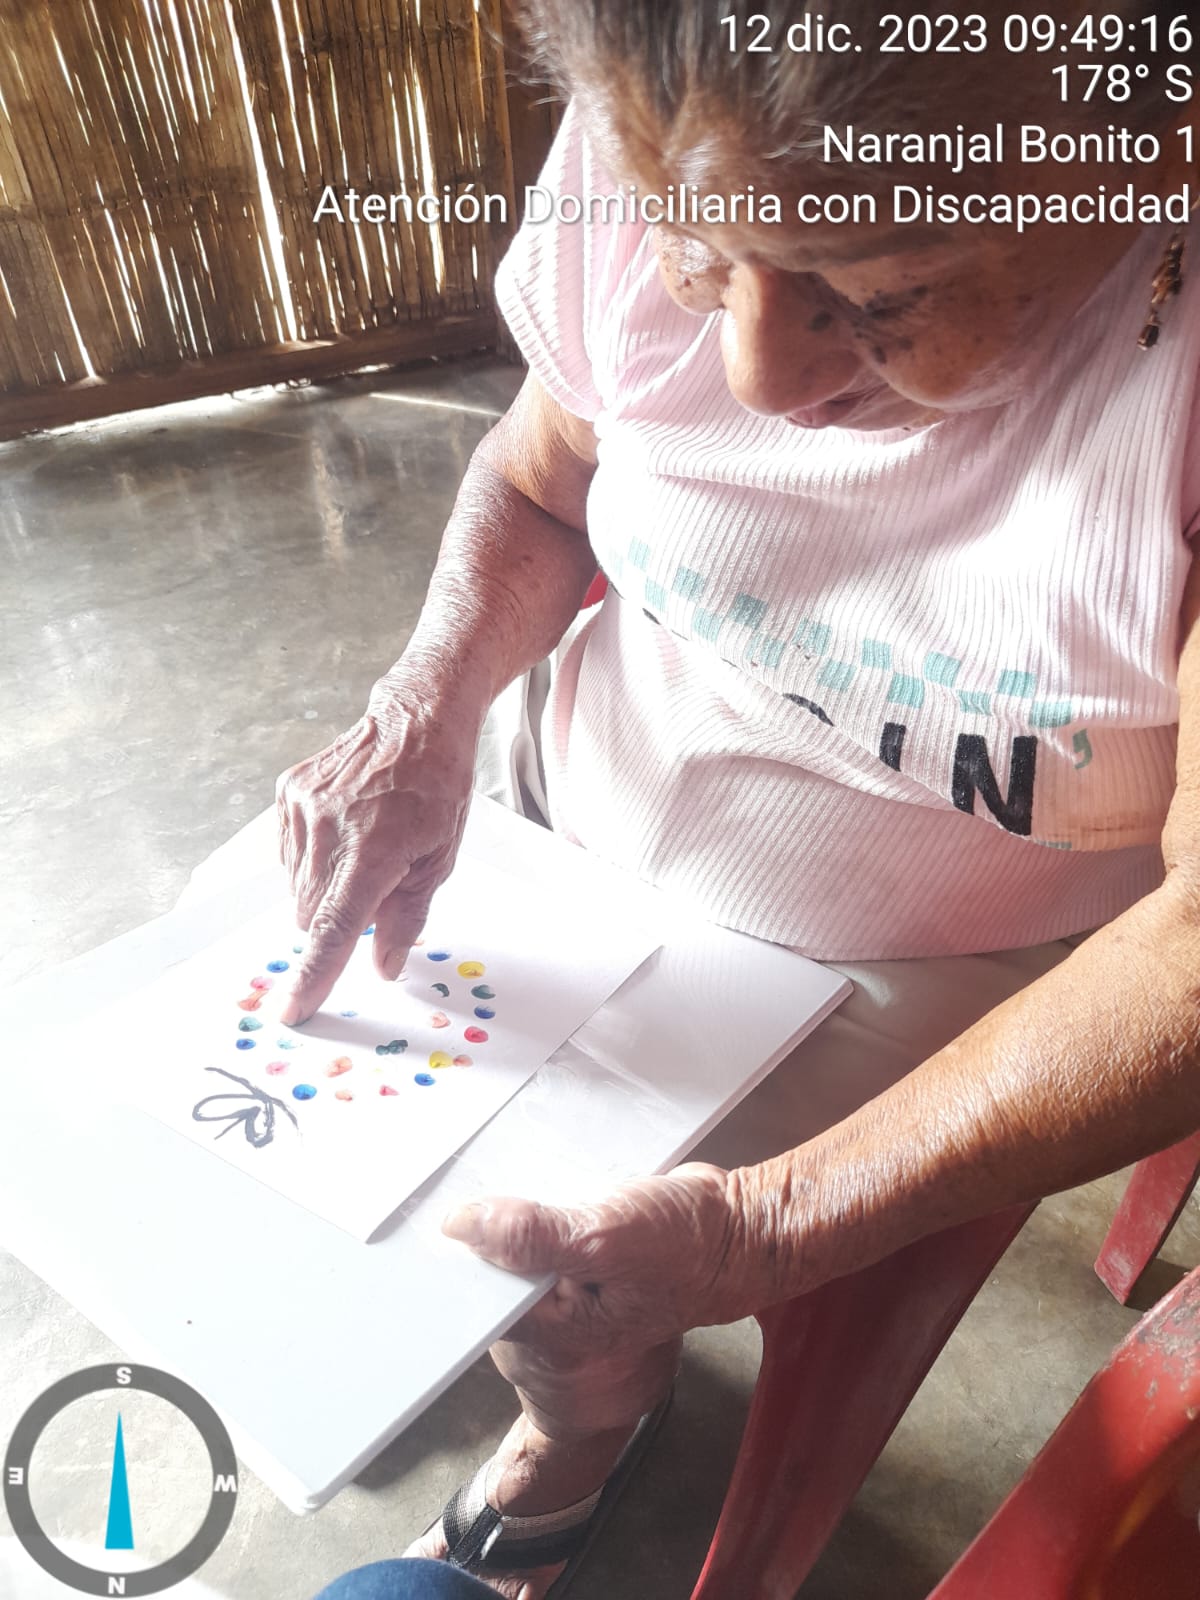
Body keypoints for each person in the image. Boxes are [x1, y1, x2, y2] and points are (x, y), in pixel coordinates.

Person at [281, 3, 1200, 1594]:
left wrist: (757, 1231)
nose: (756, 371)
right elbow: (536, 483)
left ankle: (582, 1428)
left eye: (879, 294)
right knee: (263, 1033)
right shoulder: (687, 107)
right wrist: (421, 713)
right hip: (560, 802)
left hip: (910, 971)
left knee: (529, 1263)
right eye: (699, 259)